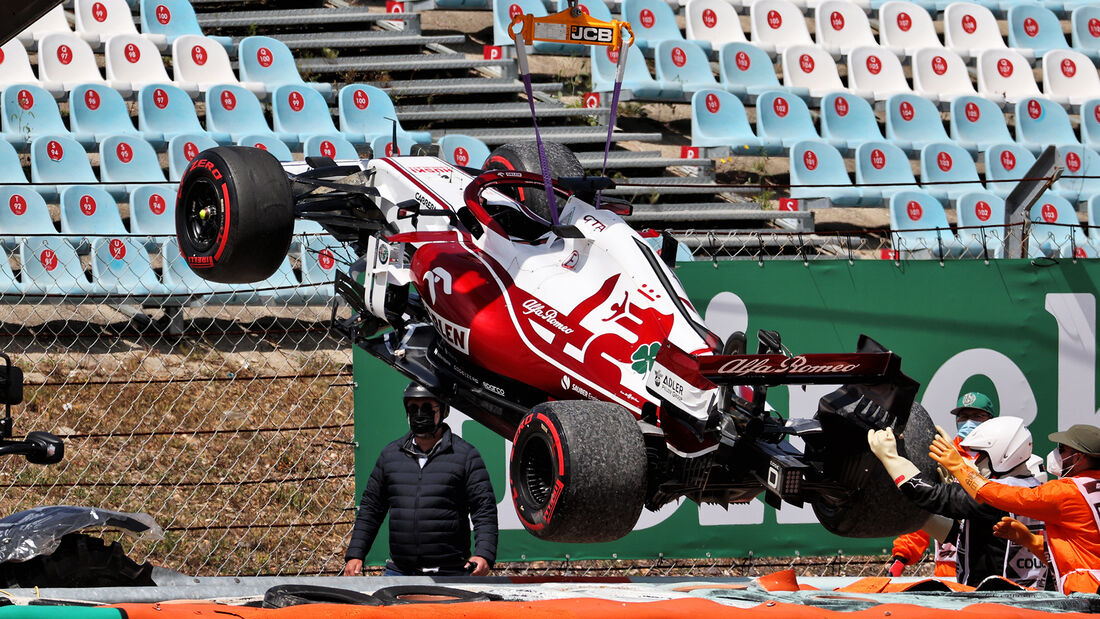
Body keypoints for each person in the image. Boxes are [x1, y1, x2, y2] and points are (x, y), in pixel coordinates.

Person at [869, 416, 1047, 587]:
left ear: (1003, 455)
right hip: (1030, 596)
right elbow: (979, 539)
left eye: (982, 455)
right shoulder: (1035, 488)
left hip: (993, 599)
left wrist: (890, 457)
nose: (977, 461)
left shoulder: (995, 496)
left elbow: (931, 494)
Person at [342, 382, 498, 577]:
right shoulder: (390, 455)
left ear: (443, 410)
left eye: (427, 408)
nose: (419, 414)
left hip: (451, 573)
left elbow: (484, 508)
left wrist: (483, 554)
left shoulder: (465, 455)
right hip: (400, 572)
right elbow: (371, 508)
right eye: (413, 408)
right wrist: (356, 554)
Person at [931, 423, 1100, 594]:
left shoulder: (1067, 491)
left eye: (1062, 449)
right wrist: (1030, 540)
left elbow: (1000, 495)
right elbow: (1081, 551)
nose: (1057, 453)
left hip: (1086, 592)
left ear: (1078, 458)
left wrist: (959, 466)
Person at [885, 392, 997, 578]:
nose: (969, 422)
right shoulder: (940, 456)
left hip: (989, 561)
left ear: (991, 420)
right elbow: (924, 511)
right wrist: (901, 557)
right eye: (964, 416)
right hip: (948, 567)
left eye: (977, 416)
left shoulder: (1001, 459)